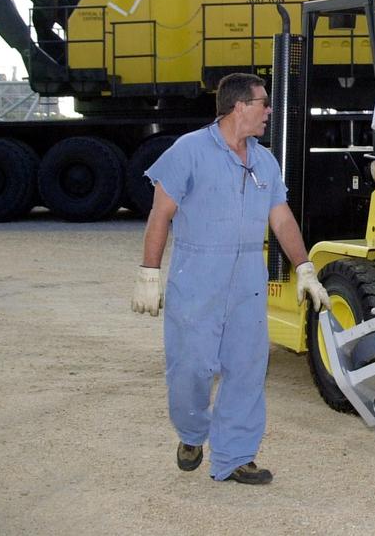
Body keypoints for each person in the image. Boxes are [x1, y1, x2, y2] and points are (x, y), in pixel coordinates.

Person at [131, 72, 331, 485]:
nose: (269, 111)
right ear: (239, 106)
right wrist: (149, 273)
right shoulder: (188, 150)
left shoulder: (265, 159)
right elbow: (161, 214)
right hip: (198, 272)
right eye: (263, 103)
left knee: (247, 367)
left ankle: (235, 456)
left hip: (247, 276)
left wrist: (305, 267)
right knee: (191, 368)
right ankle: (191, 434)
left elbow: (281, 217)